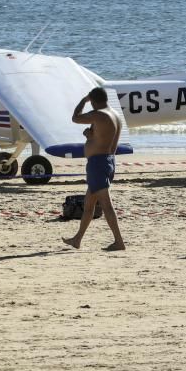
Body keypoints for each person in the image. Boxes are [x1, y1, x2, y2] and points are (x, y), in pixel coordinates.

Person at [62, 87, 126, 251]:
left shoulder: (100, 114)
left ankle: (119, 242)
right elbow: (105, 137)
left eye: (90, 101)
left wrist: (83, 100)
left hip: (99, 163)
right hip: (107, 160)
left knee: (106, 205)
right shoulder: (114, 114)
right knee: (89, 205)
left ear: (93, 100)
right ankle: (77, 239)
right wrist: (91, 137)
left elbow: (75, 118)